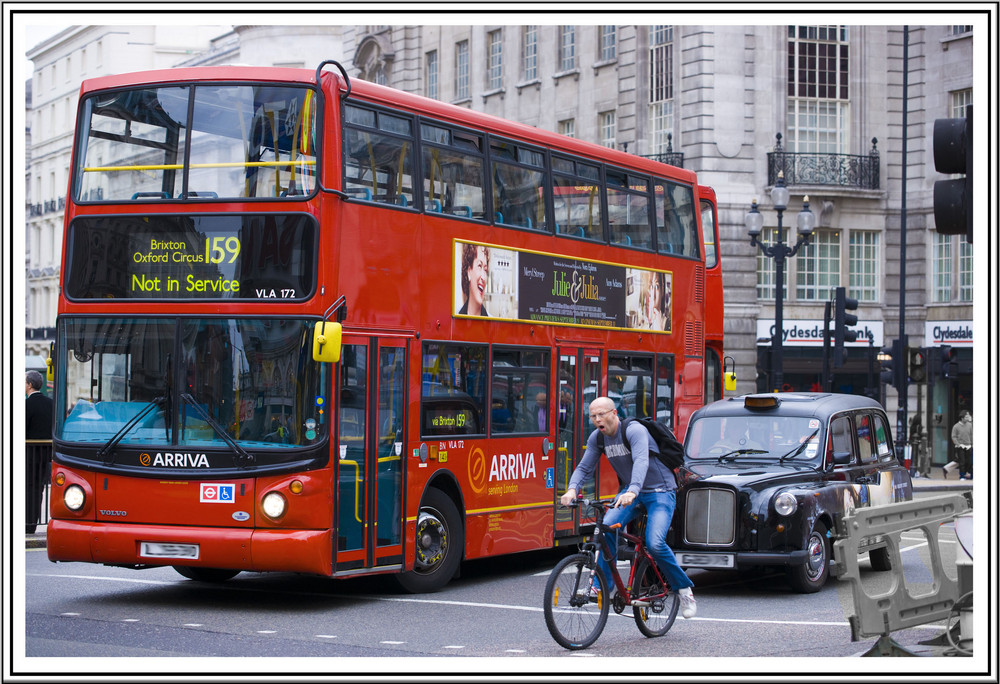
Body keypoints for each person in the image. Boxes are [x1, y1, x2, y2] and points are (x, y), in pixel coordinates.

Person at [559, 397, 696, 618]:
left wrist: (633, 489)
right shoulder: (598, 438)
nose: (597, 420)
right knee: (606, 527)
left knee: (655, 543)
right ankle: (603, 585)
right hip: (631, 492)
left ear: (614, 413)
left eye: (601, 414)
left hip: (660, 490)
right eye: (593, 416)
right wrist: (572, 489)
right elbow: (585, 466)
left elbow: (641, 460)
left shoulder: (634, 430)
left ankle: (683, 588)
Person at [25, 370, 54, 534]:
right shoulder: (51, 404)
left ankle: (26, 524)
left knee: (28, 488)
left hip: (29, 455)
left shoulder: (26, 405)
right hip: (45, 455)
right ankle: (32, 523)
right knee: (39, 489)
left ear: (29, 385)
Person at [458, 243, 490, 316]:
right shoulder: (456, 318)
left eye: (485, 269)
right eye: (479, 266)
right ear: (469, 272)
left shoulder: (491, 323)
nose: (483, 277)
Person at [949, 410, 973, 480]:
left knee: (970, 462)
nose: (967, 418)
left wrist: (972, 443)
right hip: (960, 446)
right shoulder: (956, 426)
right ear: (962, 418)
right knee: (962, 462)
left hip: (968, 446)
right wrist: (958, 444)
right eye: (966, 417)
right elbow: (953, 436)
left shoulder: (969, 425)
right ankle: (962, 476)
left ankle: (968, 474)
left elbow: (971, 435)